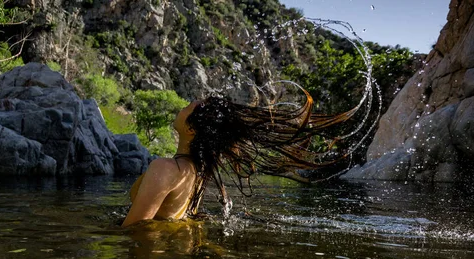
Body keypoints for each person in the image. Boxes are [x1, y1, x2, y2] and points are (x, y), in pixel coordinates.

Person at [122, 83, 376, 227]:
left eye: (190, 106)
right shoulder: (197, 173)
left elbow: (137, 233)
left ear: (190, 129)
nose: (185, 104)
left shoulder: (166, 169)